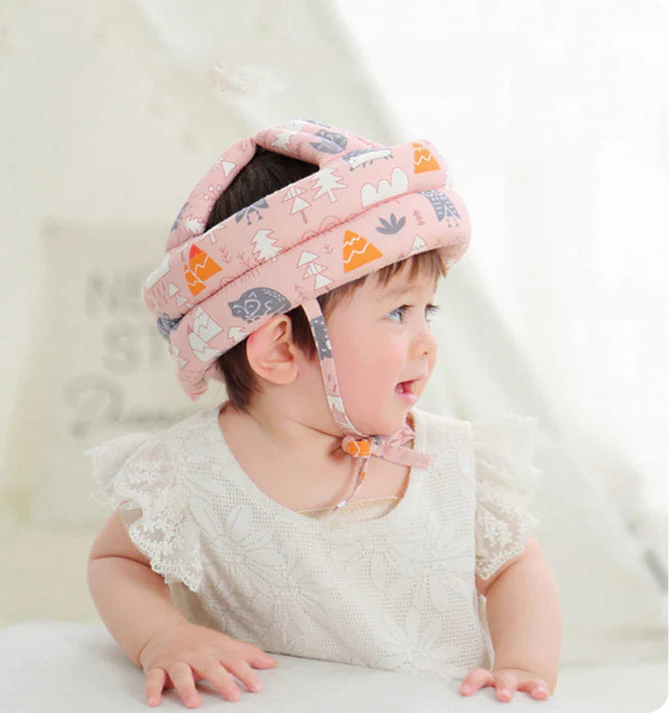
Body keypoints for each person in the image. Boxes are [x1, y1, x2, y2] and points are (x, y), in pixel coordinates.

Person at [86, 119, 562, 709]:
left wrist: (523, 663)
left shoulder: (453, 464)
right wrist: (162, 635)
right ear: (281, 349)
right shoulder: (192, 472)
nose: (426, 343)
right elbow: (117, 561)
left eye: (428, 311)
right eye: (398, 313)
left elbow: (516, 567)